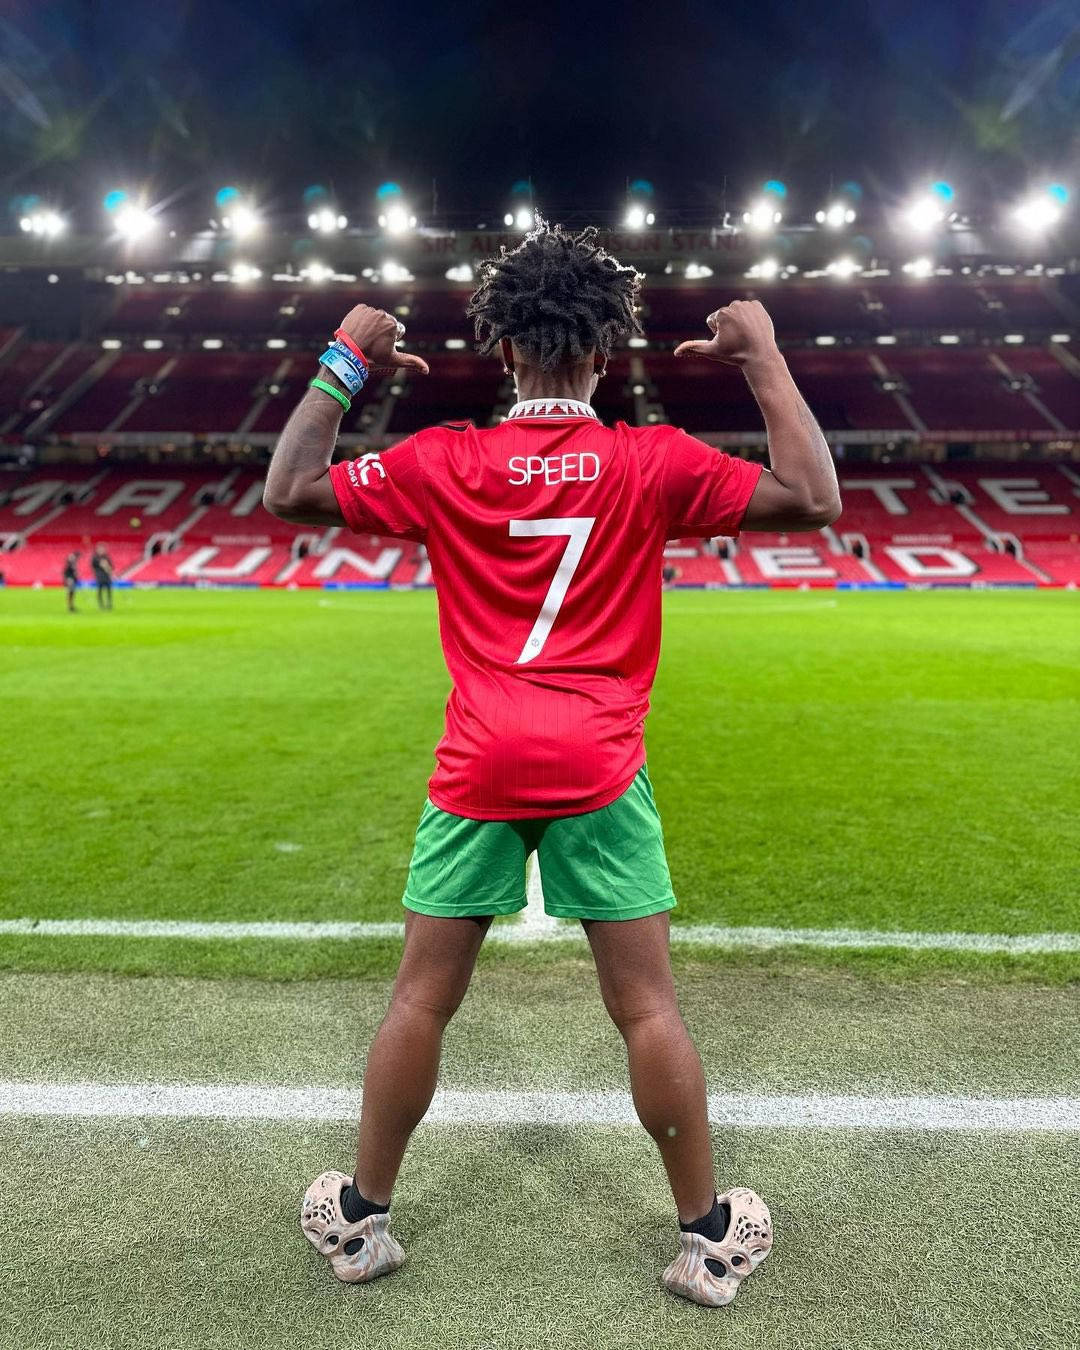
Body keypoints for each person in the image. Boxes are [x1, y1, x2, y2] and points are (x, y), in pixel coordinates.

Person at [263, 220, 841, 1308]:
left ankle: (359, 1222)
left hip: (477, 761)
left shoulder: (443, 457)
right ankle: (708, 1241)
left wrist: (346, 355)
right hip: (601, 764)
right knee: (647, 1009)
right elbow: (812, 497)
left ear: (499, 347)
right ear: (608, 352)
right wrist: (761, 351)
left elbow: (290, 490)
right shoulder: (650, 460)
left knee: (421, 1002)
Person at [91, 544, 115, 610]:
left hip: (107, 576)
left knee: (109, 590)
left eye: (102, 549)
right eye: (100, 549)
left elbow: (112, 567)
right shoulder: (95, 557)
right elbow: (93, 565)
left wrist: (109, 568)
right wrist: (102, 564)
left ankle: (109, 603)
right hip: (100, 576)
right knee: (100, 591)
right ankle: (101, 604)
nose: (101, 550)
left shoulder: (107, 557)